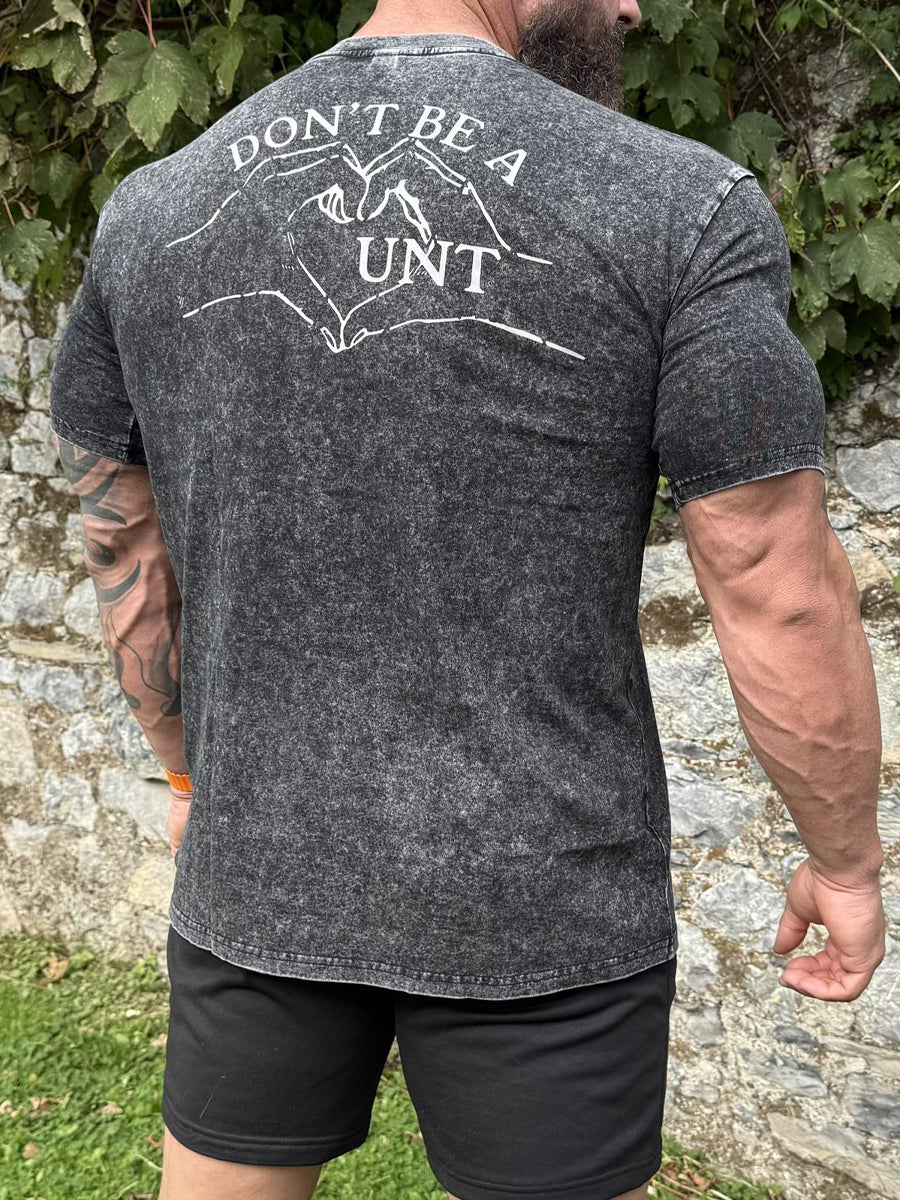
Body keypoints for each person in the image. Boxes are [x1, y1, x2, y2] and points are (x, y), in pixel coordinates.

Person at [48, 0, 887, 1196]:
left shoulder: (155, 209)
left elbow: (119, 528)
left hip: (257, 868)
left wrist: (189, 775)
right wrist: (843, 863)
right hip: (544, 899)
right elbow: (773, 585)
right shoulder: (678, 206)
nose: (632, 8)